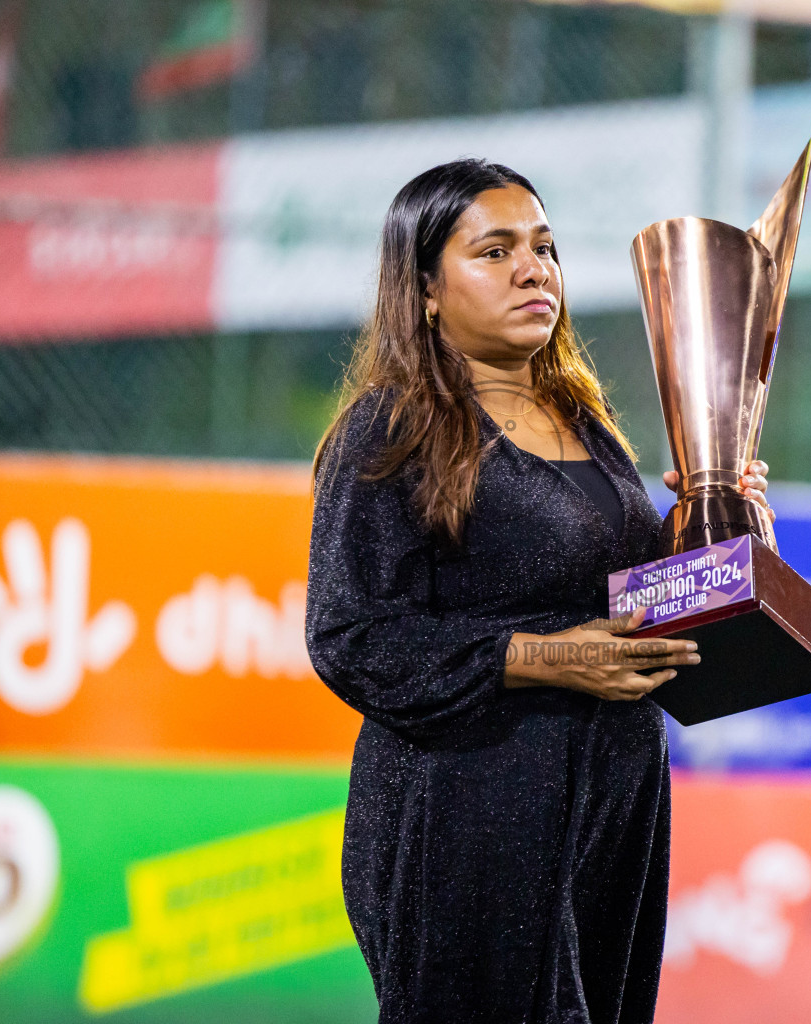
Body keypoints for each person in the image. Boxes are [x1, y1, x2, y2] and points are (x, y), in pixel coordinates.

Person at [304, 158, 773, 1024]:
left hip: (612, 799)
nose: (534, 269)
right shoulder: (390, 427)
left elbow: (624, 602)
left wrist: (720, 520)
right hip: (471, 810)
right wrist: (545, 660)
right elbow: (352, 637)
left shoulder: (588, 423)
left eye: (546, 248)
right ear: (426, 290)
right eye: (495, 251)